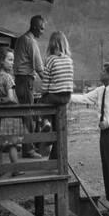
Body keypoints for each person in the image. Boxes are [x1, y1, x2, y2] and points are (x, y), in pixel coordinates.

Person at [71, 62, 109, 211]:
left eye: (103, 71)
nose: (100, 73)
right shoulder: (100, 90)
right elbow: (84, 98)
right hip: (103, 133)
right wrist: (66, 95)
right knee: (105, 166)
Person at [12, 15, 45, 159]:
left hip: (19, 80)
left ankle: (28, 145)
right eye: (42, 28)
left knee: (25, 115)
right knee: (28, 115)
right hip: (25, 81)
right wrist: (50, 84)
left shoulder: (20, 39)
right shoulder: (31, 41)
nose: (43, 32)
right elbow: (39, 67)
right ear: (36, 27)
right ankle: (29, 150)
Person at [0, 47, 25, 177]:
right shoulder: (8, 78)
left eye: (13, 60)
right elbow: (11, 98)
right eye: (10, 60)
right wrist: (7, 100)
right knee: (12, 144)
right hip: (10, 115)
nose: (12, 62)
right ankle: (15, 169)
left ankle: (0, 170)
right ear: (1, 61)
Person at [40, 31, 74, 159]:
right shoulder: (69, 60)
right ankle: (54, 157)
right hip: (66, 97)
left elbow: (46, 82)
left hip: (53, 96)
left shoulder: (50, 59)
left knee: (41, 103)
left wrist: (43, 93)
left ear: (51, 45)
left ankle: (46, 121)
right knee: (59, 128)